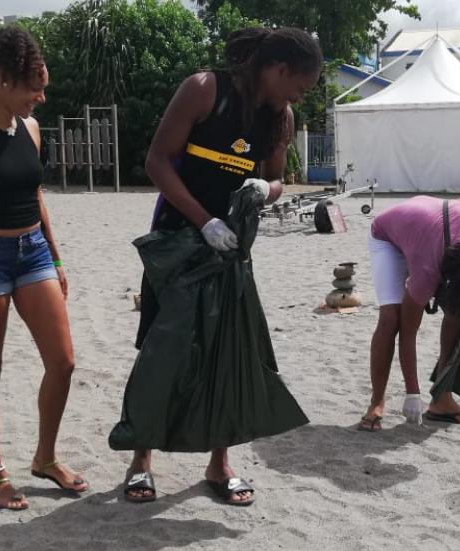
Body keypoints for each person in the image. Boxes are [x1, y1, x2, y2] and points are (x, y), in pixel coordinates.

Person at [113, 27, 322, 507]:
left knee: (227, 351)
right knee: (161, 346)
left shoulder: (280, 117)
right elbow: (158, 162)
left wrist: (262, 191)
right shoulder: (204, 88)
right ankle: (141, 459)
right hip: (177, 240)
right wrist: (203, 220)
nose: (299, 96)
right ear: (278, 69)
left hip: (231, 247)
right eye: (300, 85)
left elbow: (275, 180)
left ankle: (218, 463)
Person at [0, 25, 87, 510]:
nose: (41, 98)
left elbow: (35, 194)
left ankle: (45, 457)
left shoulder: (30, 128)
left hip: (34, 253)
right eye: (34, 87)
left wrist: (57, 255)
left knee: (63, 362)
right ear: (3, 80)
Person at [358, 196, 460, 432]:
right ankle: (376, 402)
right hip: (388, 235)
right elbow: (407, 334)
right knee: (391, 319)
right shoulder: (426, 273)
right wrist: (412, 392)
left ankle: (441, 399)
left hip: (428, 228)